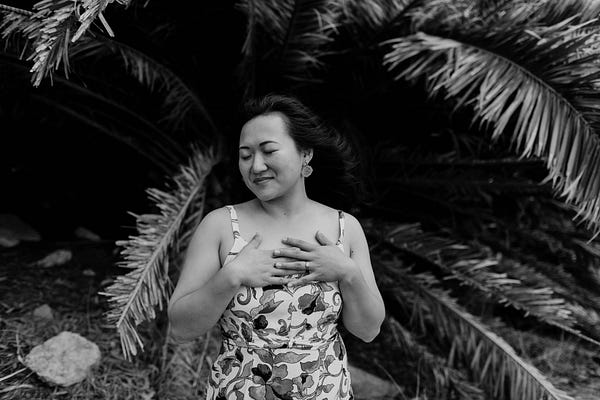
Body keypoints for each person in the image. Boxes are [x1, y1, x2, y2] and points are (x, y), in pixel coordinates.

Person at [167, 94, 386, 400]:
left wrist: (348, 272)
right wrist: (231, 276)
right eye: (245, 156)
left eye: (268, 151)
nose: (256, 166)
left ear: (305, 154)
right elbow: (180, 328)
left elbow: (369, 330)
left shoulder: (344, 228)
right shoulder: (219, 226)